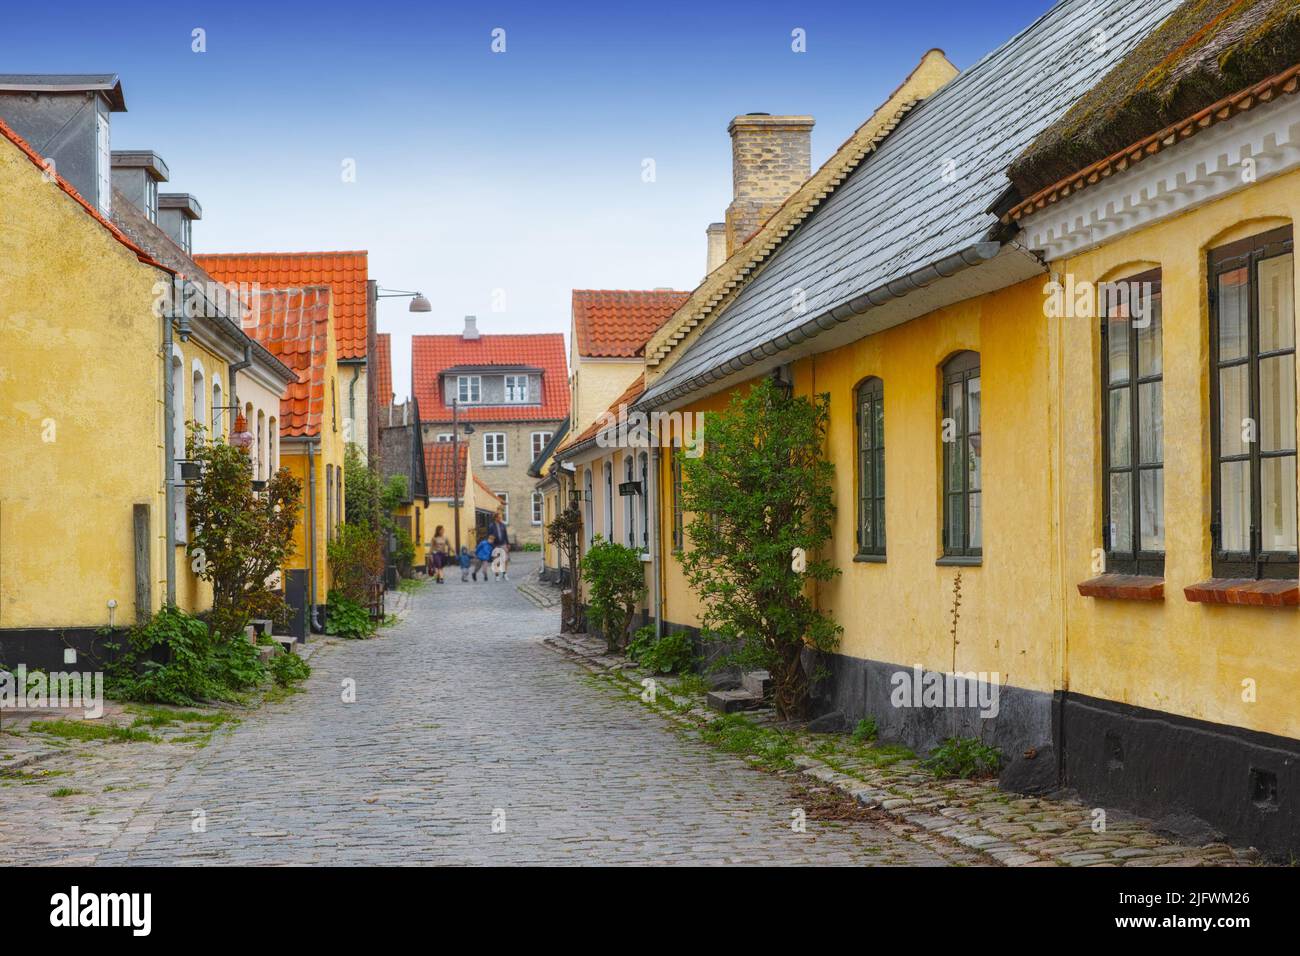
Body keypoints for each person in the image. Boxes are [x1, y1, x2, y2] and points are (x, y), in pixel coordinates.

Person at [489, 509, 511, 581]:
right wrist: (491, 545)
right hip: (495, 545)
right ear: (495, 518)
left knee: (505, 560)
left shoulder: (503, 525)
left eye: (501, 517)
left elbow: (505, 535)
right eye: (499, 517)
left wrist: (507, 543)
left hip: (503, 544)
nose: (500, 518)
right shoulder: (491, 526)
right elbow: (490, 536)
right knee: (496, 561)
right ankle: (497, 575)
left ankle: (505, 574)